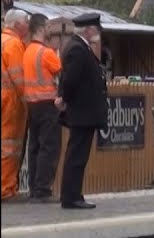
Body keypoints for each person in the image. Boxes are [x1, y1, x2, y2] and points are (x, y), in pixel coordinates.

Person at [57, 12, 109, 210]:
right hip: (82, 113)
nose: (97, 33)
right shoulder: (78, 49)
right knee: (76, 156)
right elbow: (71, 79)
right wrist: (64, 99)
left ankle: (74, 194)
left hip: (83, 112)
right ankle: (71, 198)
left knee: (78, 155)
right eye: (95, 30)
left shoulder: (78, 47)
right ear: (88, 30)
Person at [22, 14, 62, 201]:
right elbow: (63, 72)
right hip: (47, 104)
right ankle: (43, 189)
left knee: (35, 147)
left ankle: (34, 188)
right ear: (40, 27)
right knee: (49, 147)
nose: (49, 30)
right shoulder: (46, 53)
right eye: (47, 26)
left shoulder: (27, 51)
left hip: (32, 104)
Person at [1, 8, 31, 201]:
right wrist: (27, 101)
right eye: (26, 21)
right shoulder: (14, 44)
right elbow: (19, 79)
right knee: (8, 147)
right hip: (9, 102)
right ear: (17, 24)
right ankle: (6, 189)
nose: (28, 25)